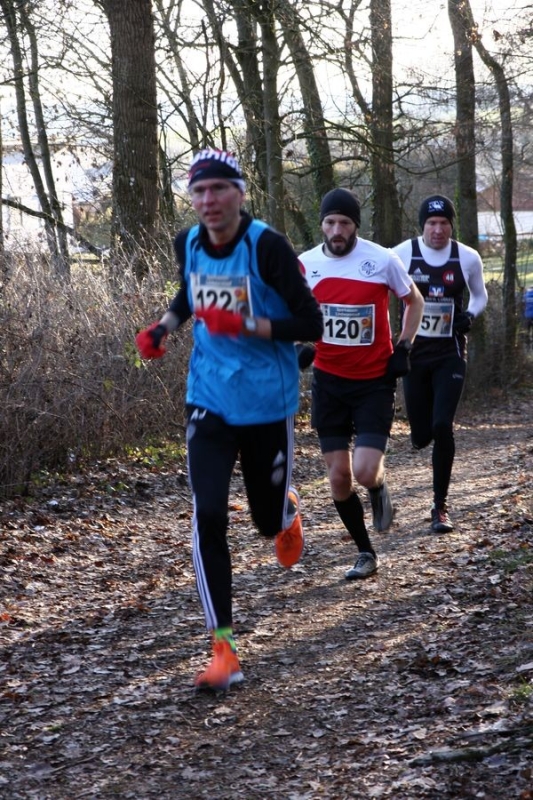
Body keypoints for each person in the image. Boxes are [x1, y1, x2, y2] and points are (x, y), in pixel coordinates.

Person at [135, 148, 323, 690]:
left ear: (241, 194)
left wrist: (247, 324)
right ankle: (224, 649)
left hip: (267, 403)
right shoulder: (187, 242)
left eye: (219, 189)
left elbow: (310, 321)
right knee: (208, 513)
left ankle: (285, 512)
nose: (208, 200)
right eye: (198, 191)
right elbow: (190, 294)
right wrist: (165, 325)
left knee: (264, 523)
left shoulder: (267, 246)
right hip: (209, 398)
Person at [299, 188, 424, 580]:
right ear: (322, 224)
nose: (337, 231)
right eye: (331, 222)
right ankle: (365, 553)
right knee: (338, 476)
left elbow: (414, 301)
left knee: (365, 471)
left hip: (373, 381)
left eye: (345, 223)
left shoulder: (382, 259)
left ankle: (379, 487)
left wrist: (404, 346)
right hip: (329, 381)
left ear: (356, 226)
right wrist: (299, 344)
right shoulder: (305, 264)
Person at [393, 194, 488, 533]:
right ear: (422, 227)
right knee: (420, 435)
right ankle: (423, 435)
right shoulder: (402, 254)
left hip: (450, 352)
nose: (437, 229)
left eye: (443, 223)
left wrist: (469, 316)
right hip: (415, 355)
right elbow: (380, 289)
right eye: (431, 223)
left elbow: (480, 295)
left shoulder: (468, 257)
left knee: (441, 426)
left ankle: (440, 506)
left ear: (451, 225)